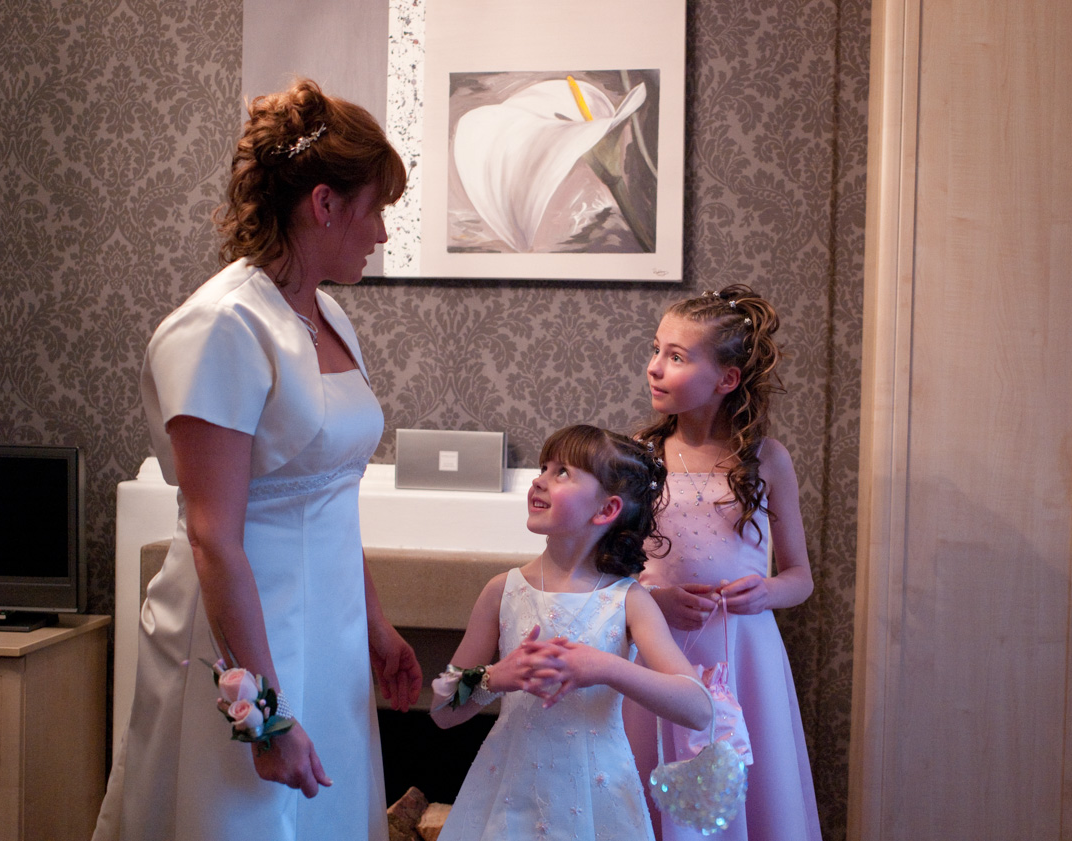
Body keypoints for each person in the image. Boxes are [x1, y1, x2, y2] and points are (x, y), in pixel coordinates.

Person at [92, 79, 422, 841]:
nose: (380, 233)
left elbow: (332, 493)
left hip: (333, 632)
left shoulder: (327, 315)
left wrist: (375, 625)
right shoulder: (220, 327)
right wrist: (264, 716)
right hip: (245, 633)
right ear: (324, 203)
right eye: (374, 209)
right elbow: (214, 536)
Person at [430, 424, 713, 841]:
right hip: (510, 797)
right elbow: (442, 711)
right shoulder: (501, 591)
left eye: (562, 472)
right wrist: (494, 677)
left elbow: (698, 708)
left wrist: (606, 667)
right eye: (544, 466)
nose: (538, 479)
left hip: (600, 801)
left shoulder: (629, 600)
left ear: (606, 510)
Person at [624, 286, 822, 840]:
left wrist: (766, 592)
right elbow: (612, 571)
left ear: (727, 379)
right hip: (659, 646)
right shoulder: (640, 455)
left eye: (677, 357)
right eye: (657, 349)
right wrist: (655, 600)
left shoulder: (766, 460)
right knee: (652, 780)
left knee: (740, 793)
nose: (654, 368)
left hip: (744, 654)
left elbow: (799, 578)